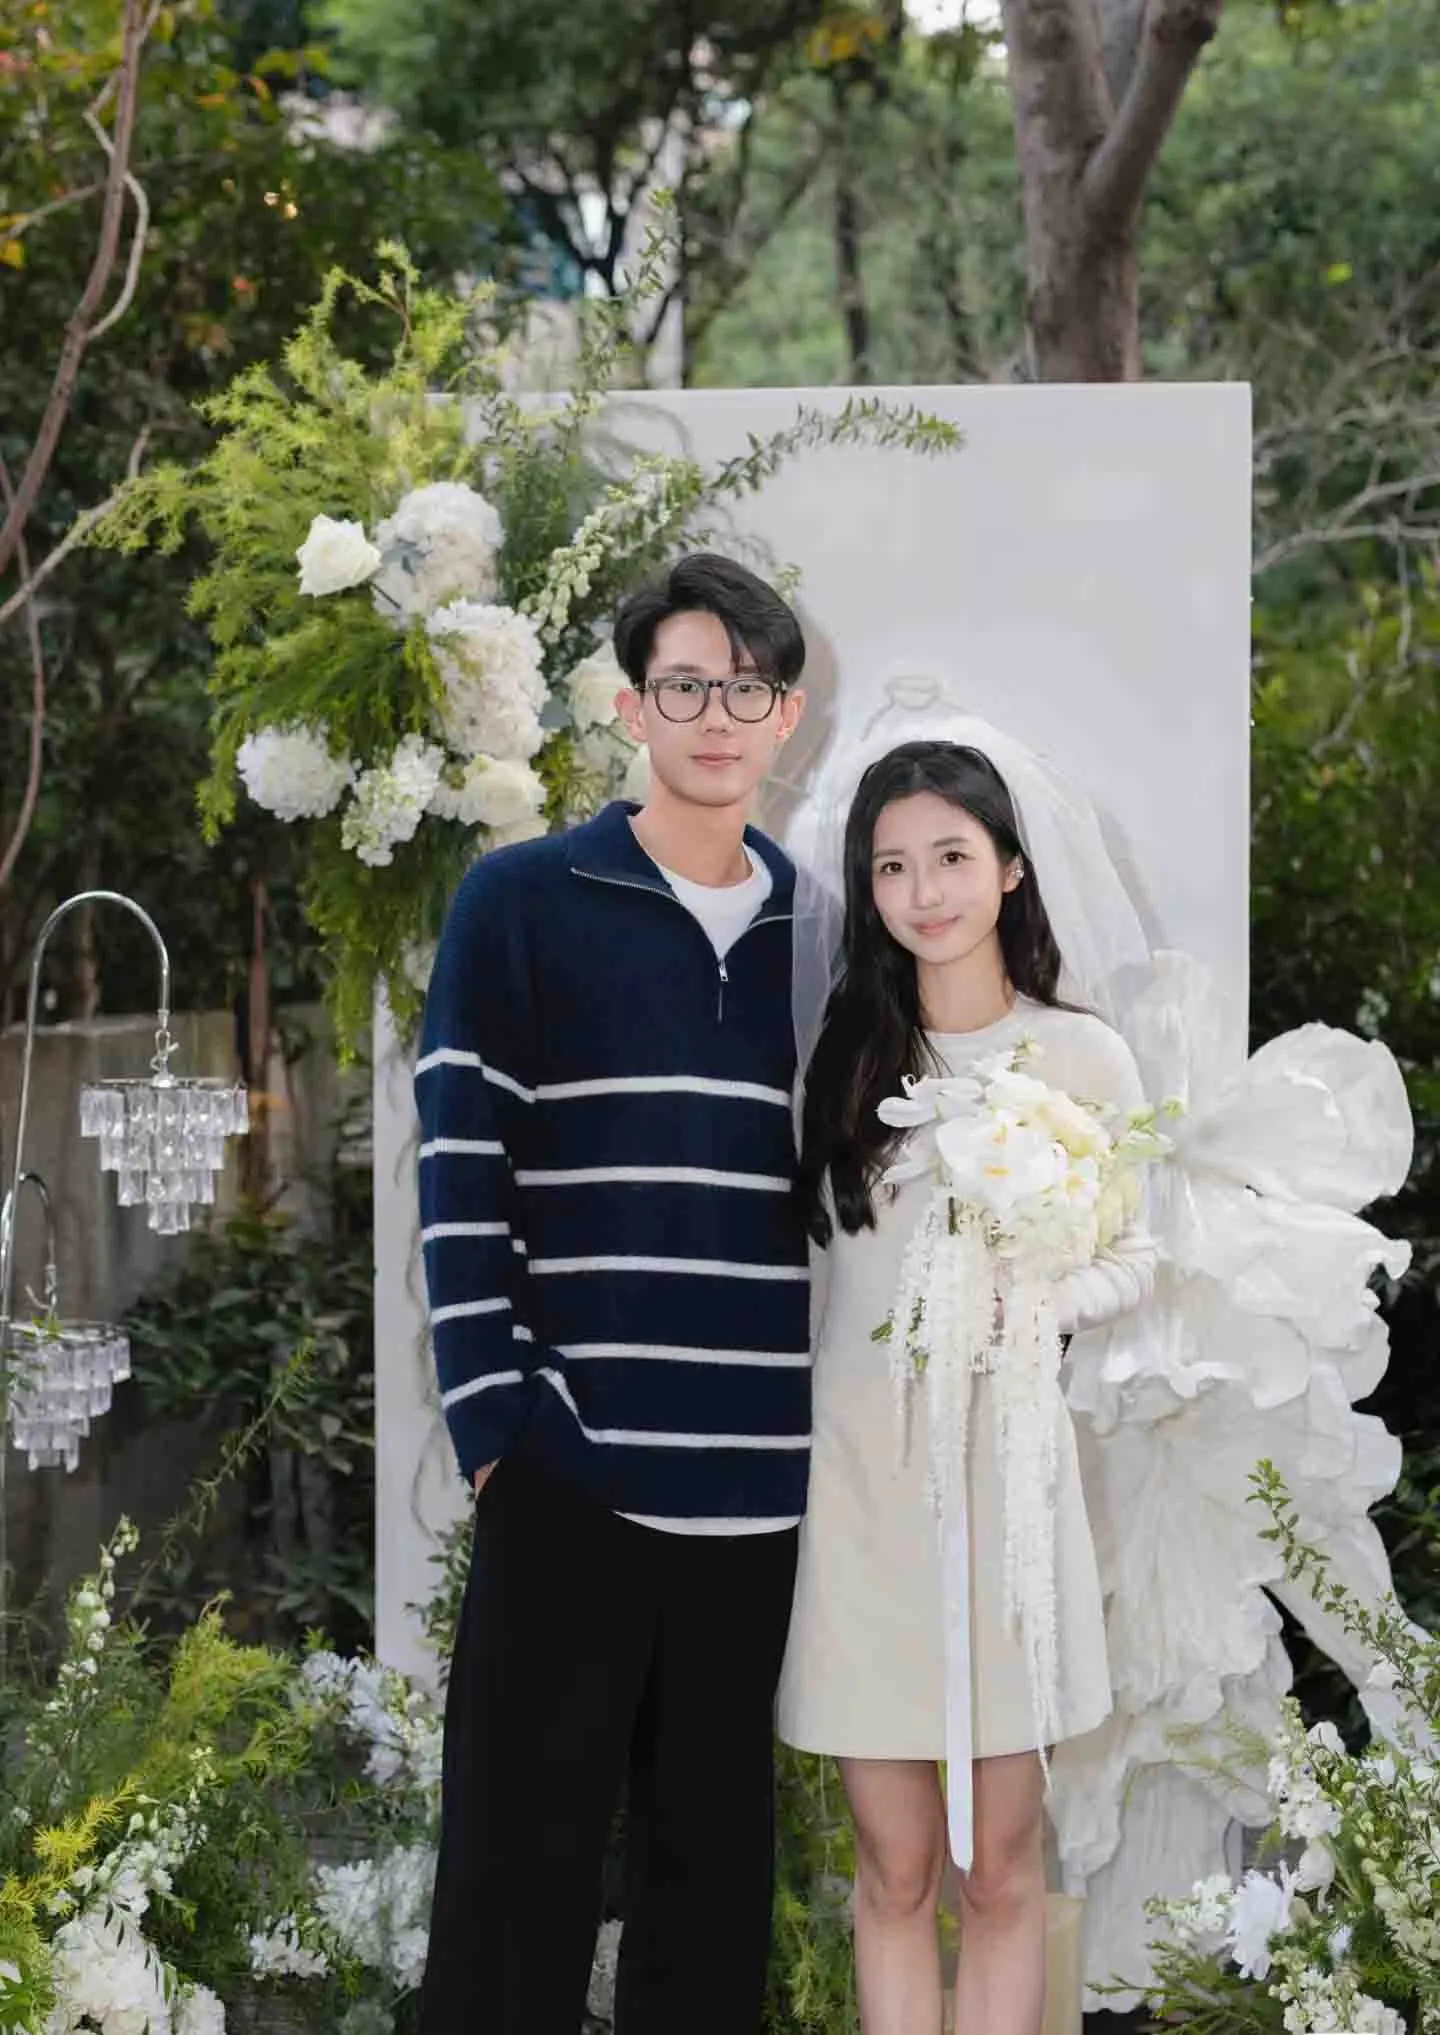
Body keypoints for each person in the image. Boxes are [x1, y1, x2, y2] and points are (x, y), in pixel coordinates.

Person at [414, 552, 811, 2035]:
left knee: (708, 1910)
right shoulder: (520, 900)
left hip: (758, 1491)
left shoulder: (826, 935)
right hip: (573, 1467)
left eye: (746, 690)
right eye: (684, 686)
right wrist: (500, 1426)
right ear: (634, 706)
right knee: (513, 1894)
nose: (716, 717)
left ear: (787, 716)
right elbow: (460, 1163)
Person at [778, 736, 1158, 2035]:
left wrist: (1039, 1304)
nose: (923, 891)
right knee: (892, 1868)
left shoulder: (1082, 1059)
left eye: (950, 856)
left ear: (1008, 868)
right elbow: (817, 1274)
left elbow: (1137, 1253)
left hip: (1008, 1488)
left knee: (1000, 1867)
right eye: (892, 866)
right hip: (864, 1488)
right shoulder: (843, 1059)